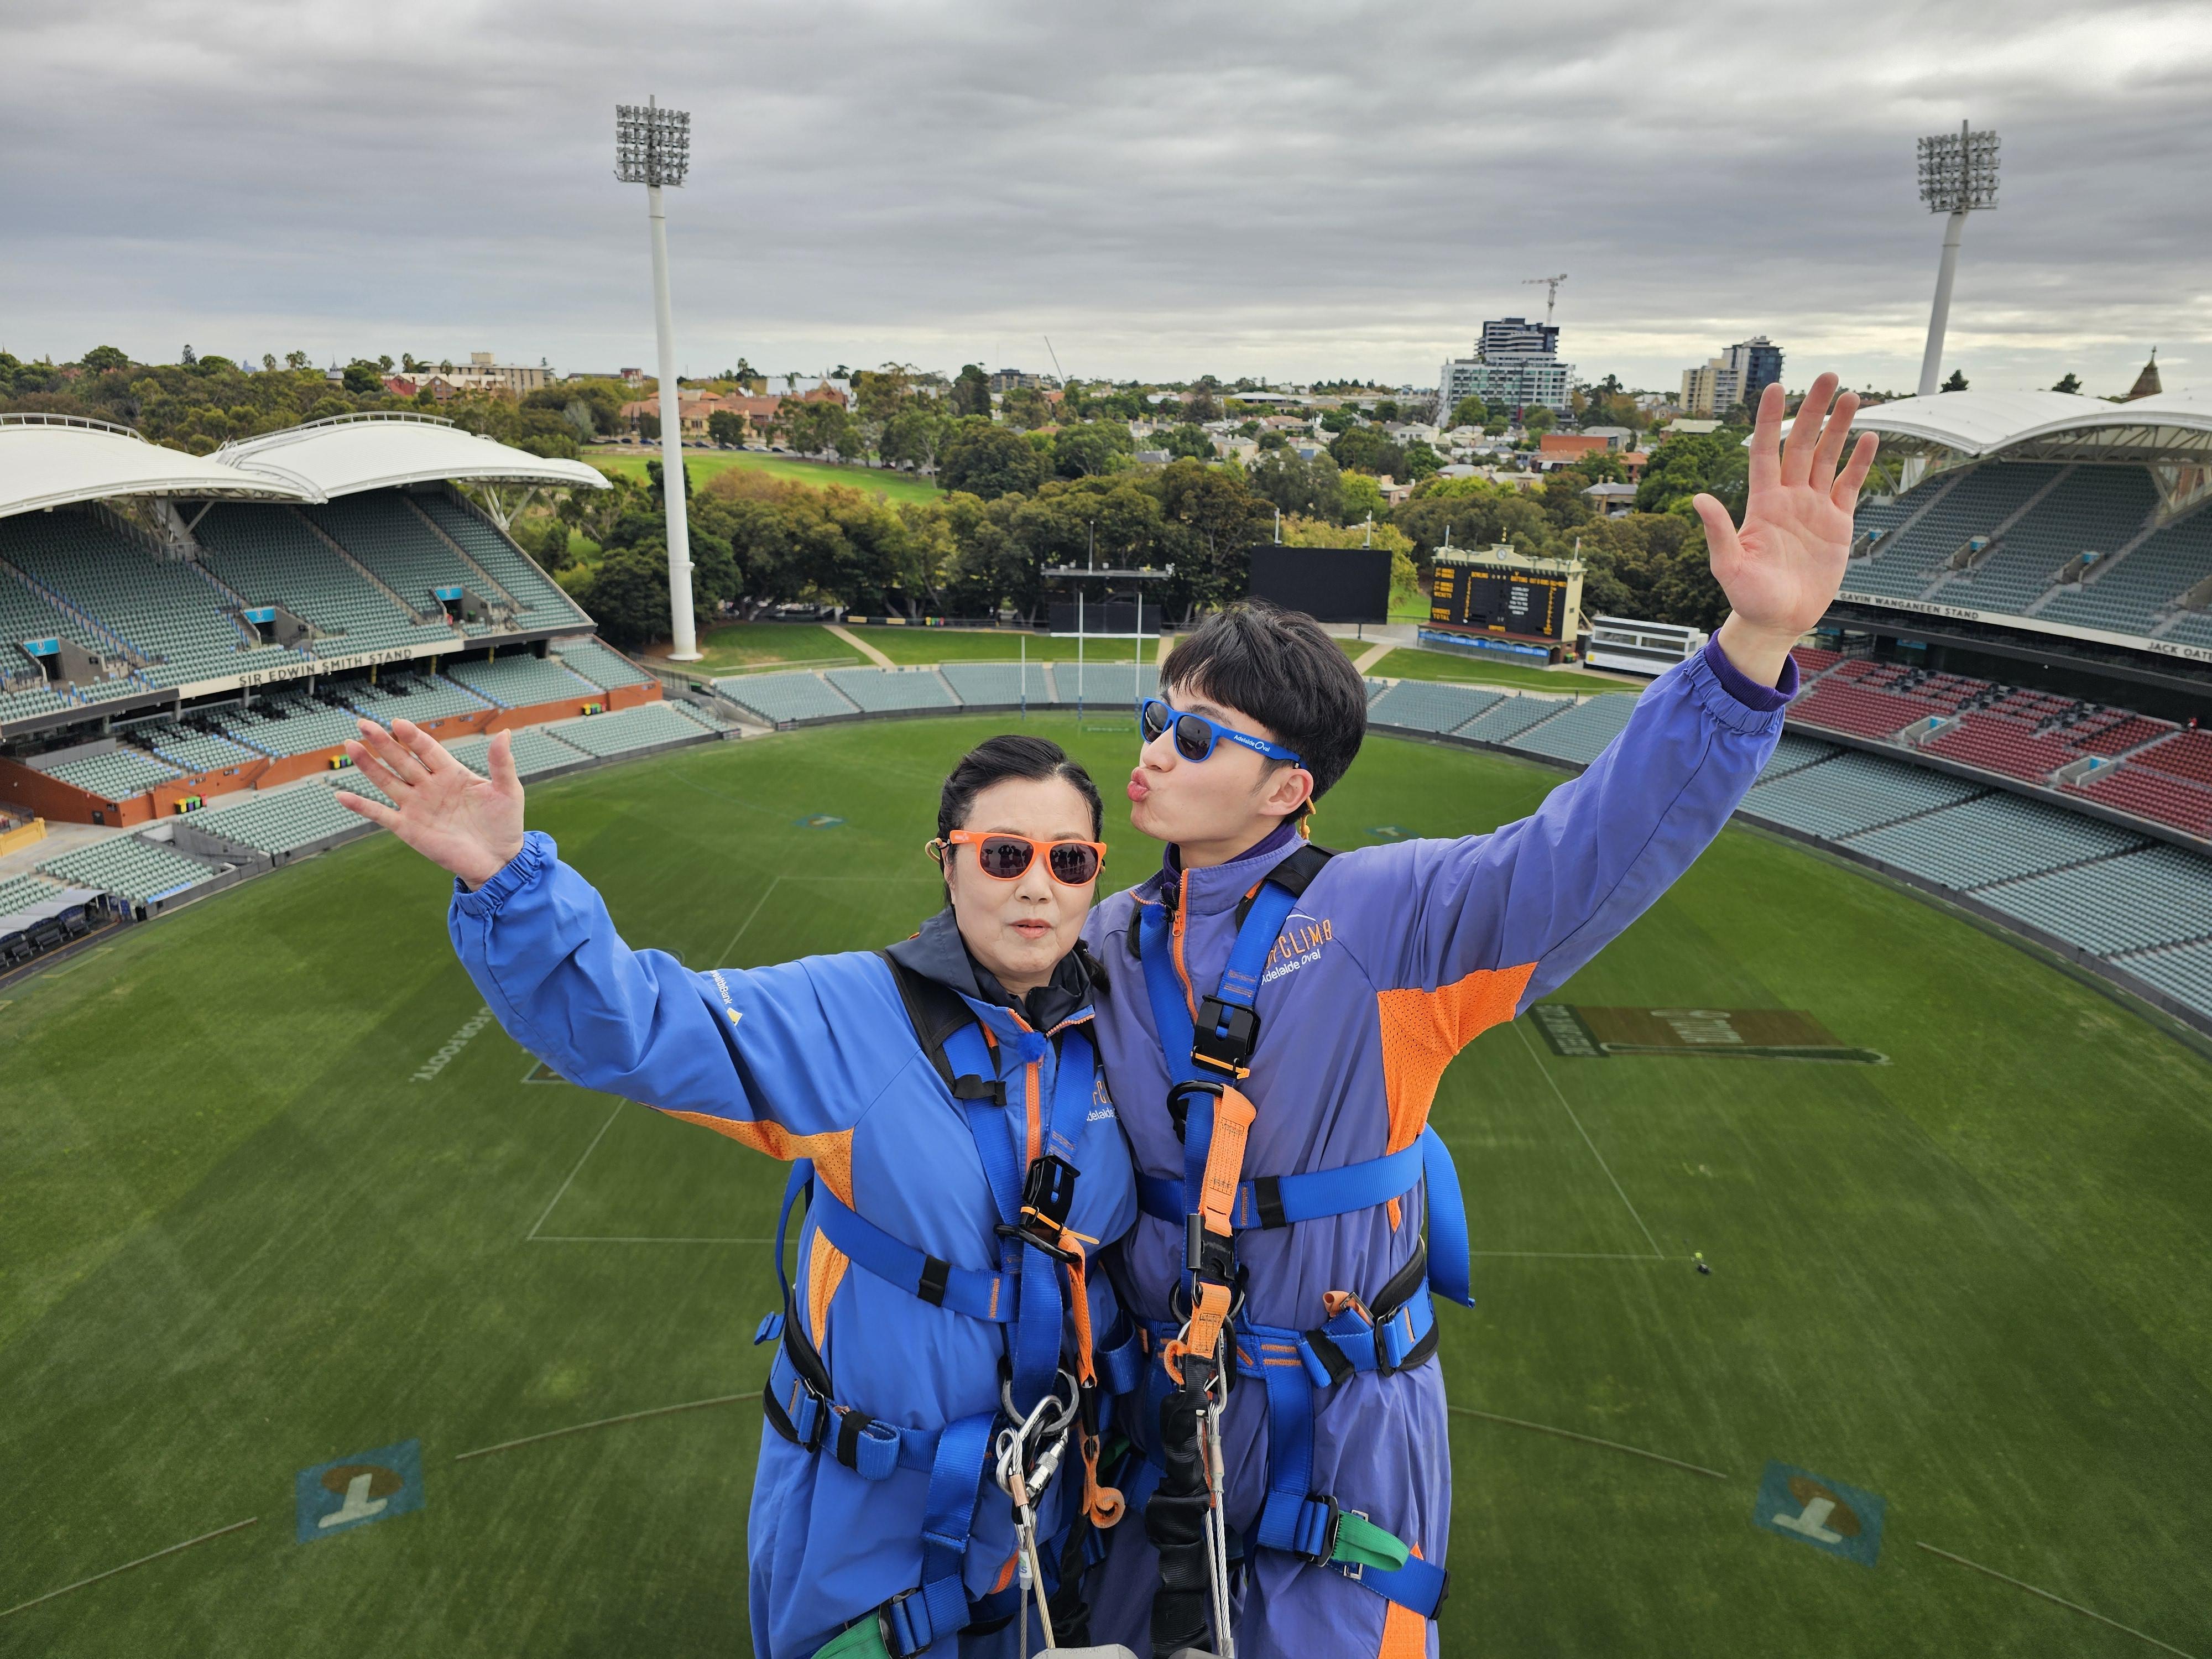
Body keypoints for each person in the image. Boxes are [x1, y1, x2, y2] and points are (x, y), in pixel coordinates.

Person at [1081, 378, 1877, 1657]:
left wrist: (1746, 654)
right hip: (1153, 1419)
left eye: (1195, 733)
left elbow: (1583, 850)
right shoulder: (1107, 938)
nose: (1155, 751)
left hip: (1330, 1433)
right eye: (1153, 721)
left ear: (1288, 787)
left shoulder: (1388, 918)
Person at [334, 727, 1142, 1658]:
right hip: (872, 1518)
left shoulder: (1119, 1033)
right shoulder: (847, 1014)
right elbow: (632, 1025)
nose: (1037, 886)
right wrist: (508, 881)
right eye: (1004, 855)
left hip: (1060, 1502)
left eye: (1070, 861)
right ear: (947, 866)